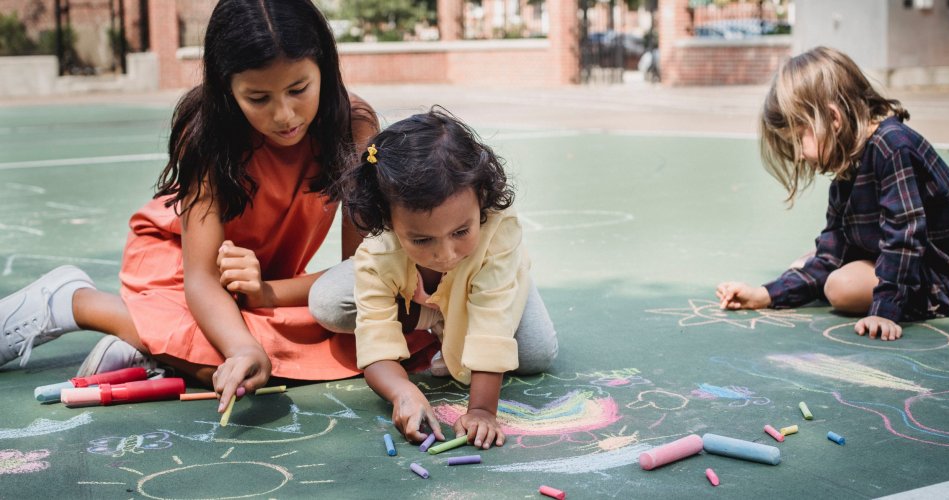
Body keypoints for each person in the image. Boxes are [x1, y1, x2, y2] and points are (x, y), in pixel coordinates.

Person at [0, 0, 378, 413]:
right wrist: (241, 348)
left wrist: (266, 293)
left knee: (366, 338)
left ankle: (155, 346)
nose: (285, 115)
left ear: (324, 65)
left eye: (298, 89)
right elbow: (199, 280)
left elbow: (357, 272)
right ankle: (78, 303)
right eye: (258, 98)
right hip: (177, 264)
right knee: (255, 363)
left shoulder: (354, 125)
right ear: (226, 89)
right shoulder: (206, 132)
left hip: (258, 281)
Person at [309, 108, 558, 449]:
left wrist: (482, 410)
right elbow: (376, 344)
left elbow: (491, 326)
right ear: (389, 222)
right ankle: (437, 314)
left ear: (481, 199)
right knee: (329, 303)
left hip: (493, 277)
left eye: (461, 231)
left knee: (534, 354)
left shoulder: (498, 228)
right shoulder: (378, 253)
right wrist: (403, 392)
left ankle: (499, 289)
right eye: (422, 240)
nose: (445, 254)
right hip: (413, 286)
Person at [716, 46, 949, 341]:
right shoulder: (849, 166)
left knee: (839, 287)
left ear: (832, 118)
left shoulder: (892, 145)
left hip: (939, 278)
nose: (799, 156)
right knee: (811, 263)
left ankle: (893, 293)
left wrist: (885, 310)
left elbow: (905, 236)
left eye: (797, 140)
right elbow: (831, 252)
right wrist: (765, 294)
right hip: (902, 257)